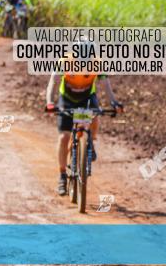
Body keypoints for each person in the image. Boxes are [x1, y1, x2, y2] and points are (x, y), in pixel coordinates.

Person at [45, 50, 123, 196]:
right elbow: (53, 82)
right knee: (64, 138)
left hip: (87, 98)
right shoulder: (64, 61)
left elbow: (106, 85)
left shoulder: (98, 63)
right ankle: (62, 176)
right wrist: (49, 102)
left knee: (95, 114)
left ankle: (91, 143)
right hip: (67, 99)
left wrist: (114, 103)